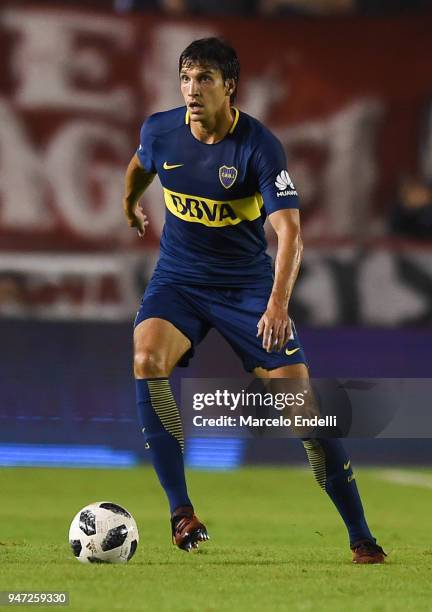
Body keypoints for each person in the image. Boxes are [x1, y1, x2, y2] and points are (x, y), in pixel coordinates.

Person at [122, 37, 386, 563]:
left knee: (304, 415)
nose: (192, 91)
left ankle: (361, 535)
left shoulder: (258, 147)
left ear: (230, 87)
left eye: (205, 80)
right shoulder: (161, 131)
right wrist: (130, 204)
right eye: (186, 78)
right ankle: (181, 513)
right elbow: (139, 166)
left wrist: (277, 304)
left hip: (247, 289)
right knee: (146, 358)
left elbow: (290, 233)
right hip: (179, 279)